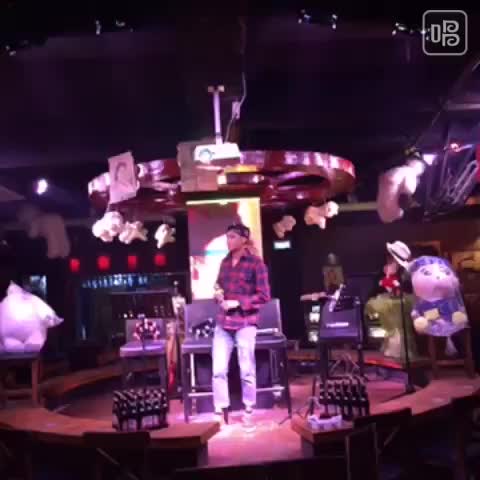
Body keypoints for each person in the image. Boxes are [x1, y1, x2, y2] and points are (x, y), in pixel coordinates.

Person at [212, 223, 271, 430]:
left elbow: (264, 296)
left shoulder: (256, 263)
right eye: (227, 237)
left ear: (244, 239)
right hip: (224, 323)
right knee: (218, 370)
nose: (228, 241)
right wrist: (218, 293)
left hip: (246, 323)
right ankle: (220, 411)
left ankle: (248, 411)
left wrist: (238, 303)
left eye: (232, 237)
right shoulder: (224, 262)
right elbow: (218, 284)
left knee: (247, 370)